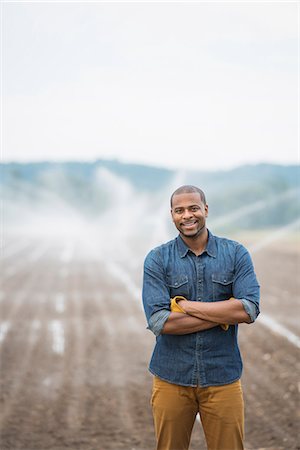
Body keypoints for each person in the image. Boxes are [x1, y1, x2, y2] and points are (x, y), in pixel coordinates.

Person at [142, 185, 260, 450]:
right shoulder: (157, 259)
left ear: (205, 209)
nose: (187, 215)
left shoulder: (236, 253)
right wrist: (225, 313)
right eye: (179, 210)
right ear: (171, 215)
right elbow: (161, 322)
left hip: (223, 377)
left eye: (193, 208)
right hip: (171, 377)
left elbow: (248, 309)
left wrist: (185, 306)